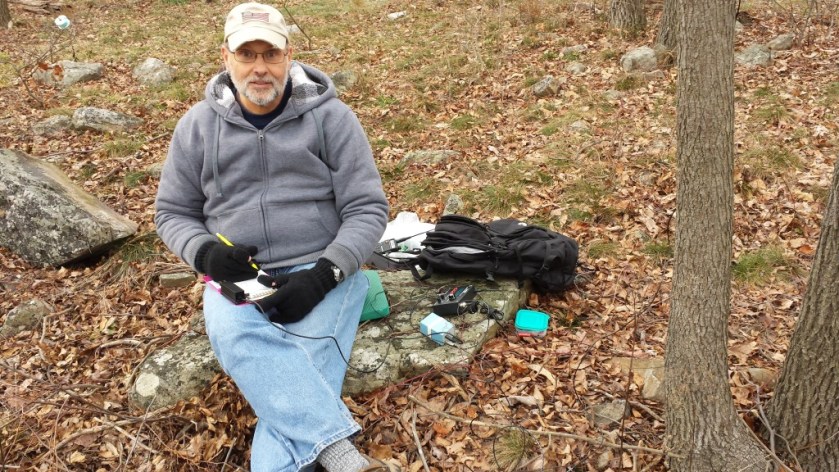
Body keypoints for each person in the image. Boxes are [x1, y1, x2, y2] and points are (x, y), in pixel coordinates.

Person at [154, 3, 394, 471]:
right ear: (227, 57)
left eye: (271, 54)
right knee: (239, 339)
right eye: (247, 54)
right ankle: (341, 455)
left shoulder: (333, 119)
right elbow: (172, 212)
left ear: (289, 56)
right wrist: (204, 254)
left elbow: (367, 208)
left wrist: (326, 274)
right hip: (239, 279)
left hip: (323, 269)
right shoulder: (196, 128)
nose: (259, 67)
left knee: (299, 360)